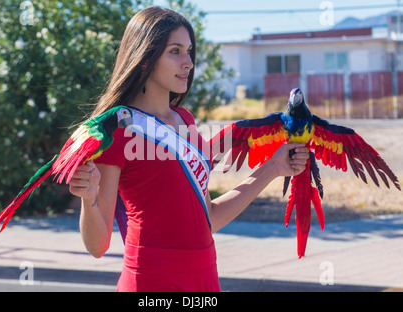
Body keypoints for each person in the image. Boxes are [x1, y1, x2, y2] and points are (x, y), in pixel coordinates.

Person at [68, 6, 309, 292]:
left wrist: (273, 168)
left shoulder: (186, 120)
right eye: (175, 51)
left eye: (189, 51)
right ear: (144, 58)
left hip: (204, 278)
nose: (189, 63)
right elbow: (97, 247)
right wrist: (89, 197)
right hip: (151, 281)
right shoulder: (119, 130)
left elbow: (209, 219)